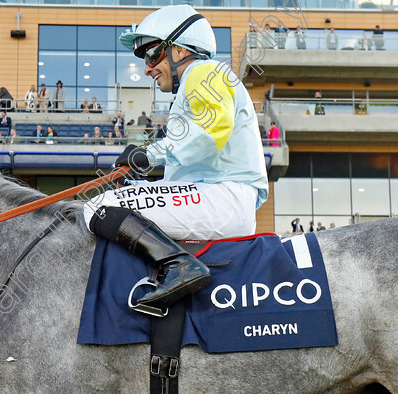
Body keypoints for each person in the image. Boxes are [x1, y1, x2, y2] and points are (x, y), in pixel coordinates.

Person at [84, 4, 269, 309]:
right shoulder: (198, 82)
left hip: (223, 198)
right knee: (122, 200)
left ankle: (180, 267)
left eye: (151, 56)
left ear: (180, 51)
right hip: (216, 197)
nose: (147, 69)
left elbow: (209, 134)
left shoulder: (204, 71)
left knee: (99, 207)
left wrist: (148, 155)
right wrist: (137, 179)